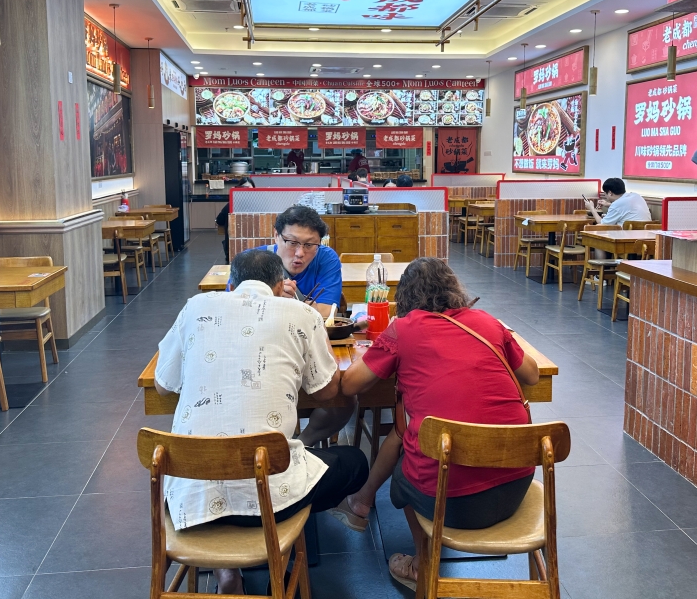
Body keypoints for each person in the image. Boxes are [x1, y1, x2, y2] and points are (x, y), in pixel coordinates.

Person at [155, 249, 368, 595]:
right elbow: (329, 392)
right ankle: (278, 562)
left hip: (190, 500)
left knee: (224, 459)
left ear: (230, 284)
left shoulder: (195, 307)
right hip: (271, 500)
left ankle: (229, 575)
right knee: (354, 463)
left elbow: (164, 385)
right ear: (279, 284)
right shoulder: (301, 313)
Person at [336, 257, 540, 590]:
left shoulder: (404, 328)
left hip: (450, 504)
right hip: (516, 485)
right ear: (454, 289)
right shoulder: (487, 322)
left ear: (404, 298)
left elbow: (350, 385)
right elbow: (530, 375)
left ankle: (422, 566)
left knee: (405, 468)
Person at [250, 205, 352, 447]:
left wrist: (283, 302)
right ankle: (267, 446)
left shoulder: (326, 258)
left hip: (310, 351)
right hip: (264, 354)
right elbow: (238, 310)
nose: (300, 253)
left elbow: (328, 312)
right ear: (276, 236)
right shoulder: (255, 261)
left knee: (345, 399)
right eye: (291, 242)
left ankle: (301, 445)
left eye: (309, 245)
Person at [215, 177, 254, 263]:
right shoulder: (257, 206)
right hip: (253, 250)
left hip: (232, 249)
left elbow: (219, 220)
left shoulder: (231, 204)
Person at [584, 177, 651, 226]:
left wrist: (592, 208)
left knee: (597, 227)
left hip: (626, 238)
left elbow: (602, 224)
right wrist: (608, 204)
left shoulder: (617, 204)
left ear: (610, 193)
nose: (605, 196)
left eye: (605, 193)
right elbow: (626, 208)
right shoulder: (636, 196)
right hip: (645, 236)